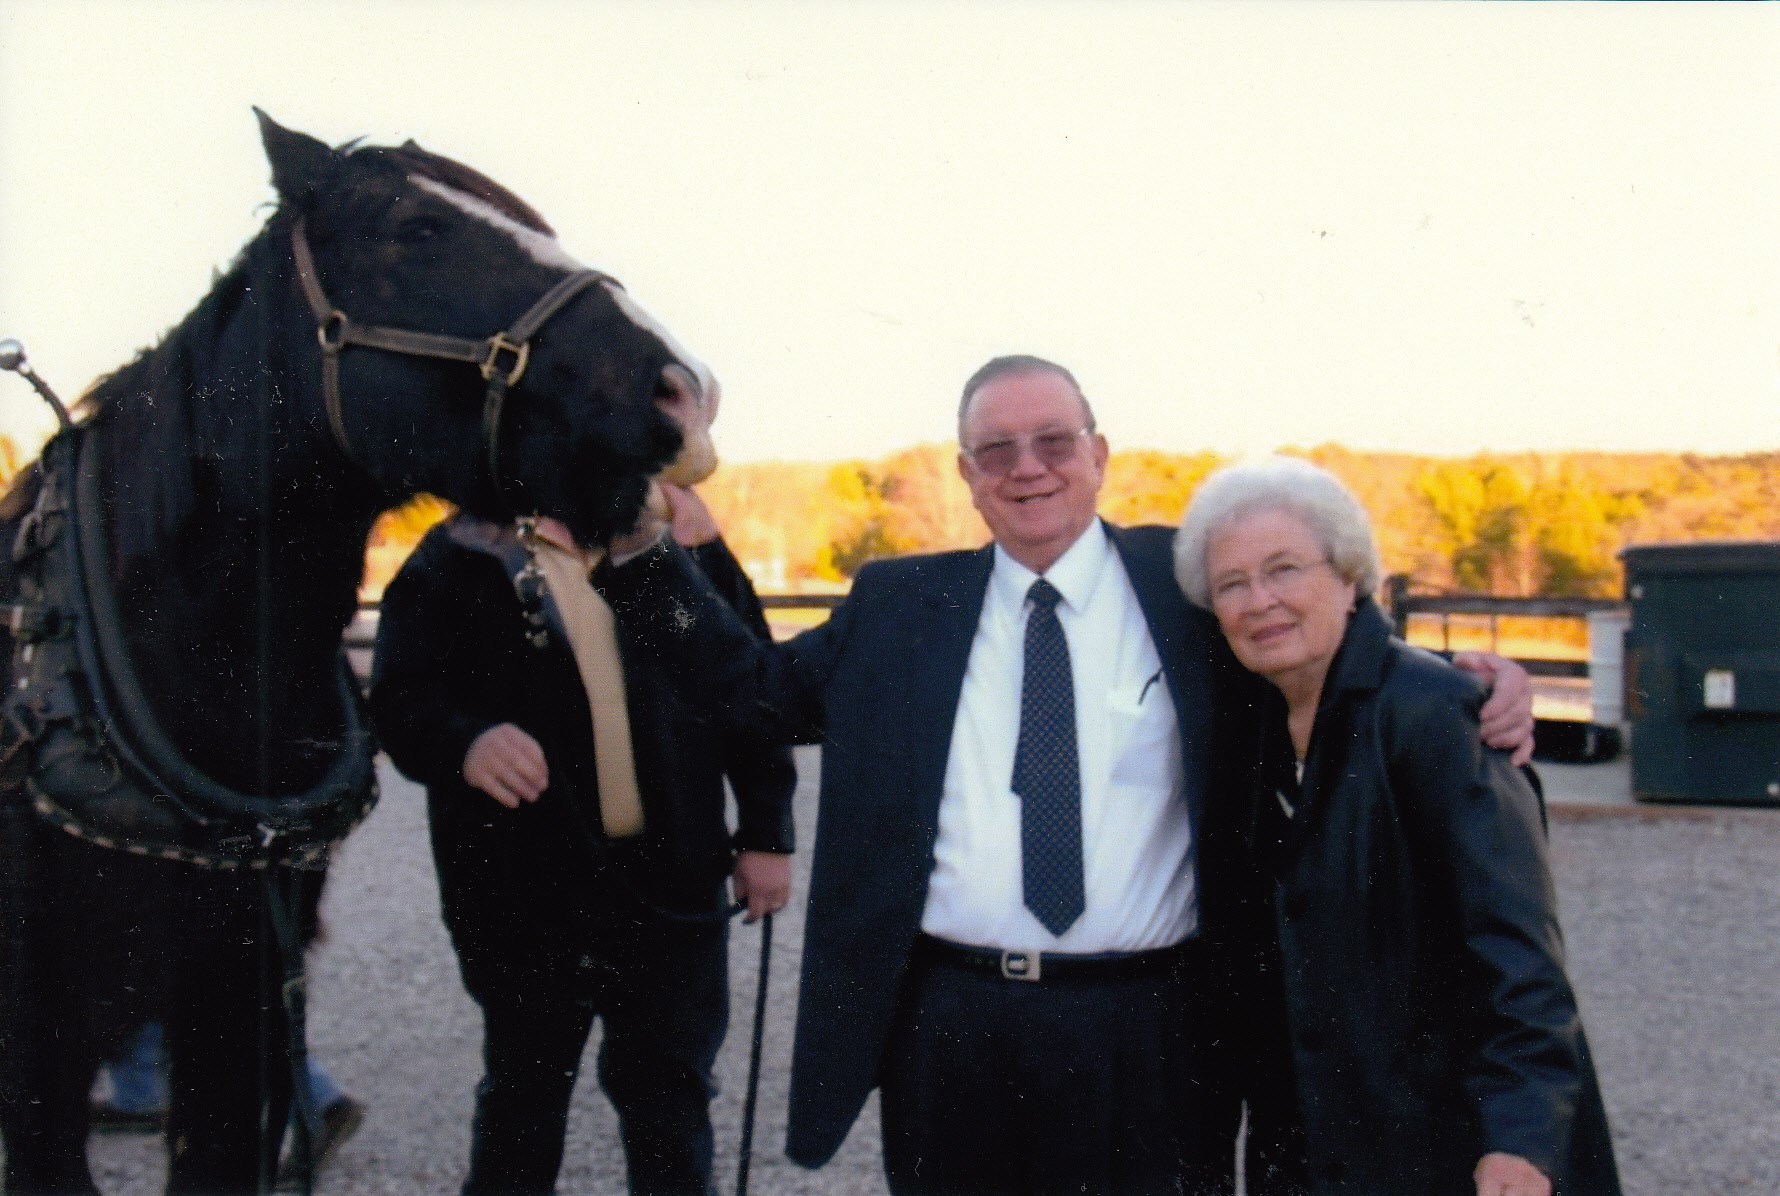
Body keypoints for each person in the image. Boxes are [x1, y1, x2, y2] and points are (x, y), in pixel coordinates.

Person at [597, 355, 1536, 1195]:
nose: (1028, 468)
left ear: (1098, 455)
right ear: (967, 476)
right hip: (950, 1031)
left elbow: (1313, 641)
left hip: (1157, 1032)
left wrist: (1465, 684)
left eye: (1053, 442)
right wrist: (641, 556)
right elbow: (750, 693)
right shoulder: (900, 607)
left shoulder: (1186, 584)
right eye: (996, 451)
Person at [1172, 456, 1620, 1196]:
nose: (1261, 601)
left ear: (1349, 574)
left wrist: (1521, 1141)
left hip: (1450, 1151)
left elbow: (1520, 957)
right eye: (1232, 585)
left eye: (1284, 570)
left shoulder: (1437, 717)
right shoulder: (1252, 728)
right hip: (1314, 1151)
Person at [369, 501, 796, 1196]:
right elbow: (398, 697)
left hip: (670, 886)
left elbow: (747, 690)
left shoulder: (680, 546)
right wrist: (464, 743)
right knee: (522, 1099)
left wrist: (767, 833)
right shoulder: (458, 556)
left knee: (671, 1102)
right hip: (521, 890)